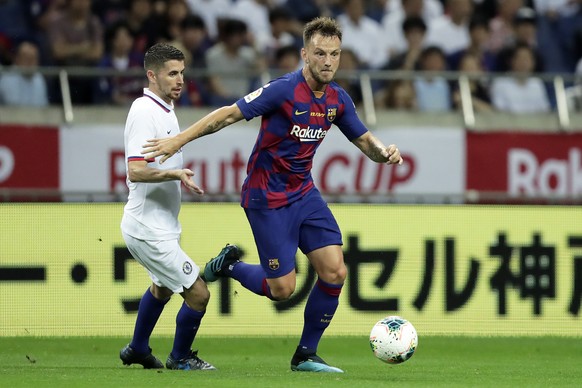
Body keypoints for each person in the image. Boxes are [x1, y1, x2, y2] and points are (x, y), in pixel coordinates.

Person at [142, 17, 403, 373]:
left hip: (305, 194)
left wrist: (383, 153)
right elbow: (227, 115)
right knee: (282, 290)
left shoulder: (337, 99)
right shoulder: (283, 90)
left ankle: (305, 355)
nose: (328, 61)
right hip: (266, 198)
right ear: (304, 54)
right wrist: (178, 140)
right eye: (320, 53)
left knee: (335, 271)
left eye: (335, 54)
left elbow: (364, 141)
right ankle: (229, 266)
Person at [119, 42, 216, 371]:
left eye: (182, 73)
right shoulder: (144, 111)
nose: (180, 80)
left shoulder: (164, 108)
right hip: (148, 228)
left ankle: (137, 348)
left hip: (157, 224)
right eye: (172, 73)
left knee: (161, 288)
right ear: (152, 75)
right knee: (199, 294)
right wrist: (174, 172)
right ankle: (180, 358)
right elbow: (135, 170)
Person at [0, 41, 49, 107]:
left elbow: (43, 105)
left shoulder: (39, 77)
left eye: (34, 58)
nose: (31, 62)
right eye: (27, 58)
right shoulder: (8, 77)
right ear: (17, 59)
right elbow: (13, 106)